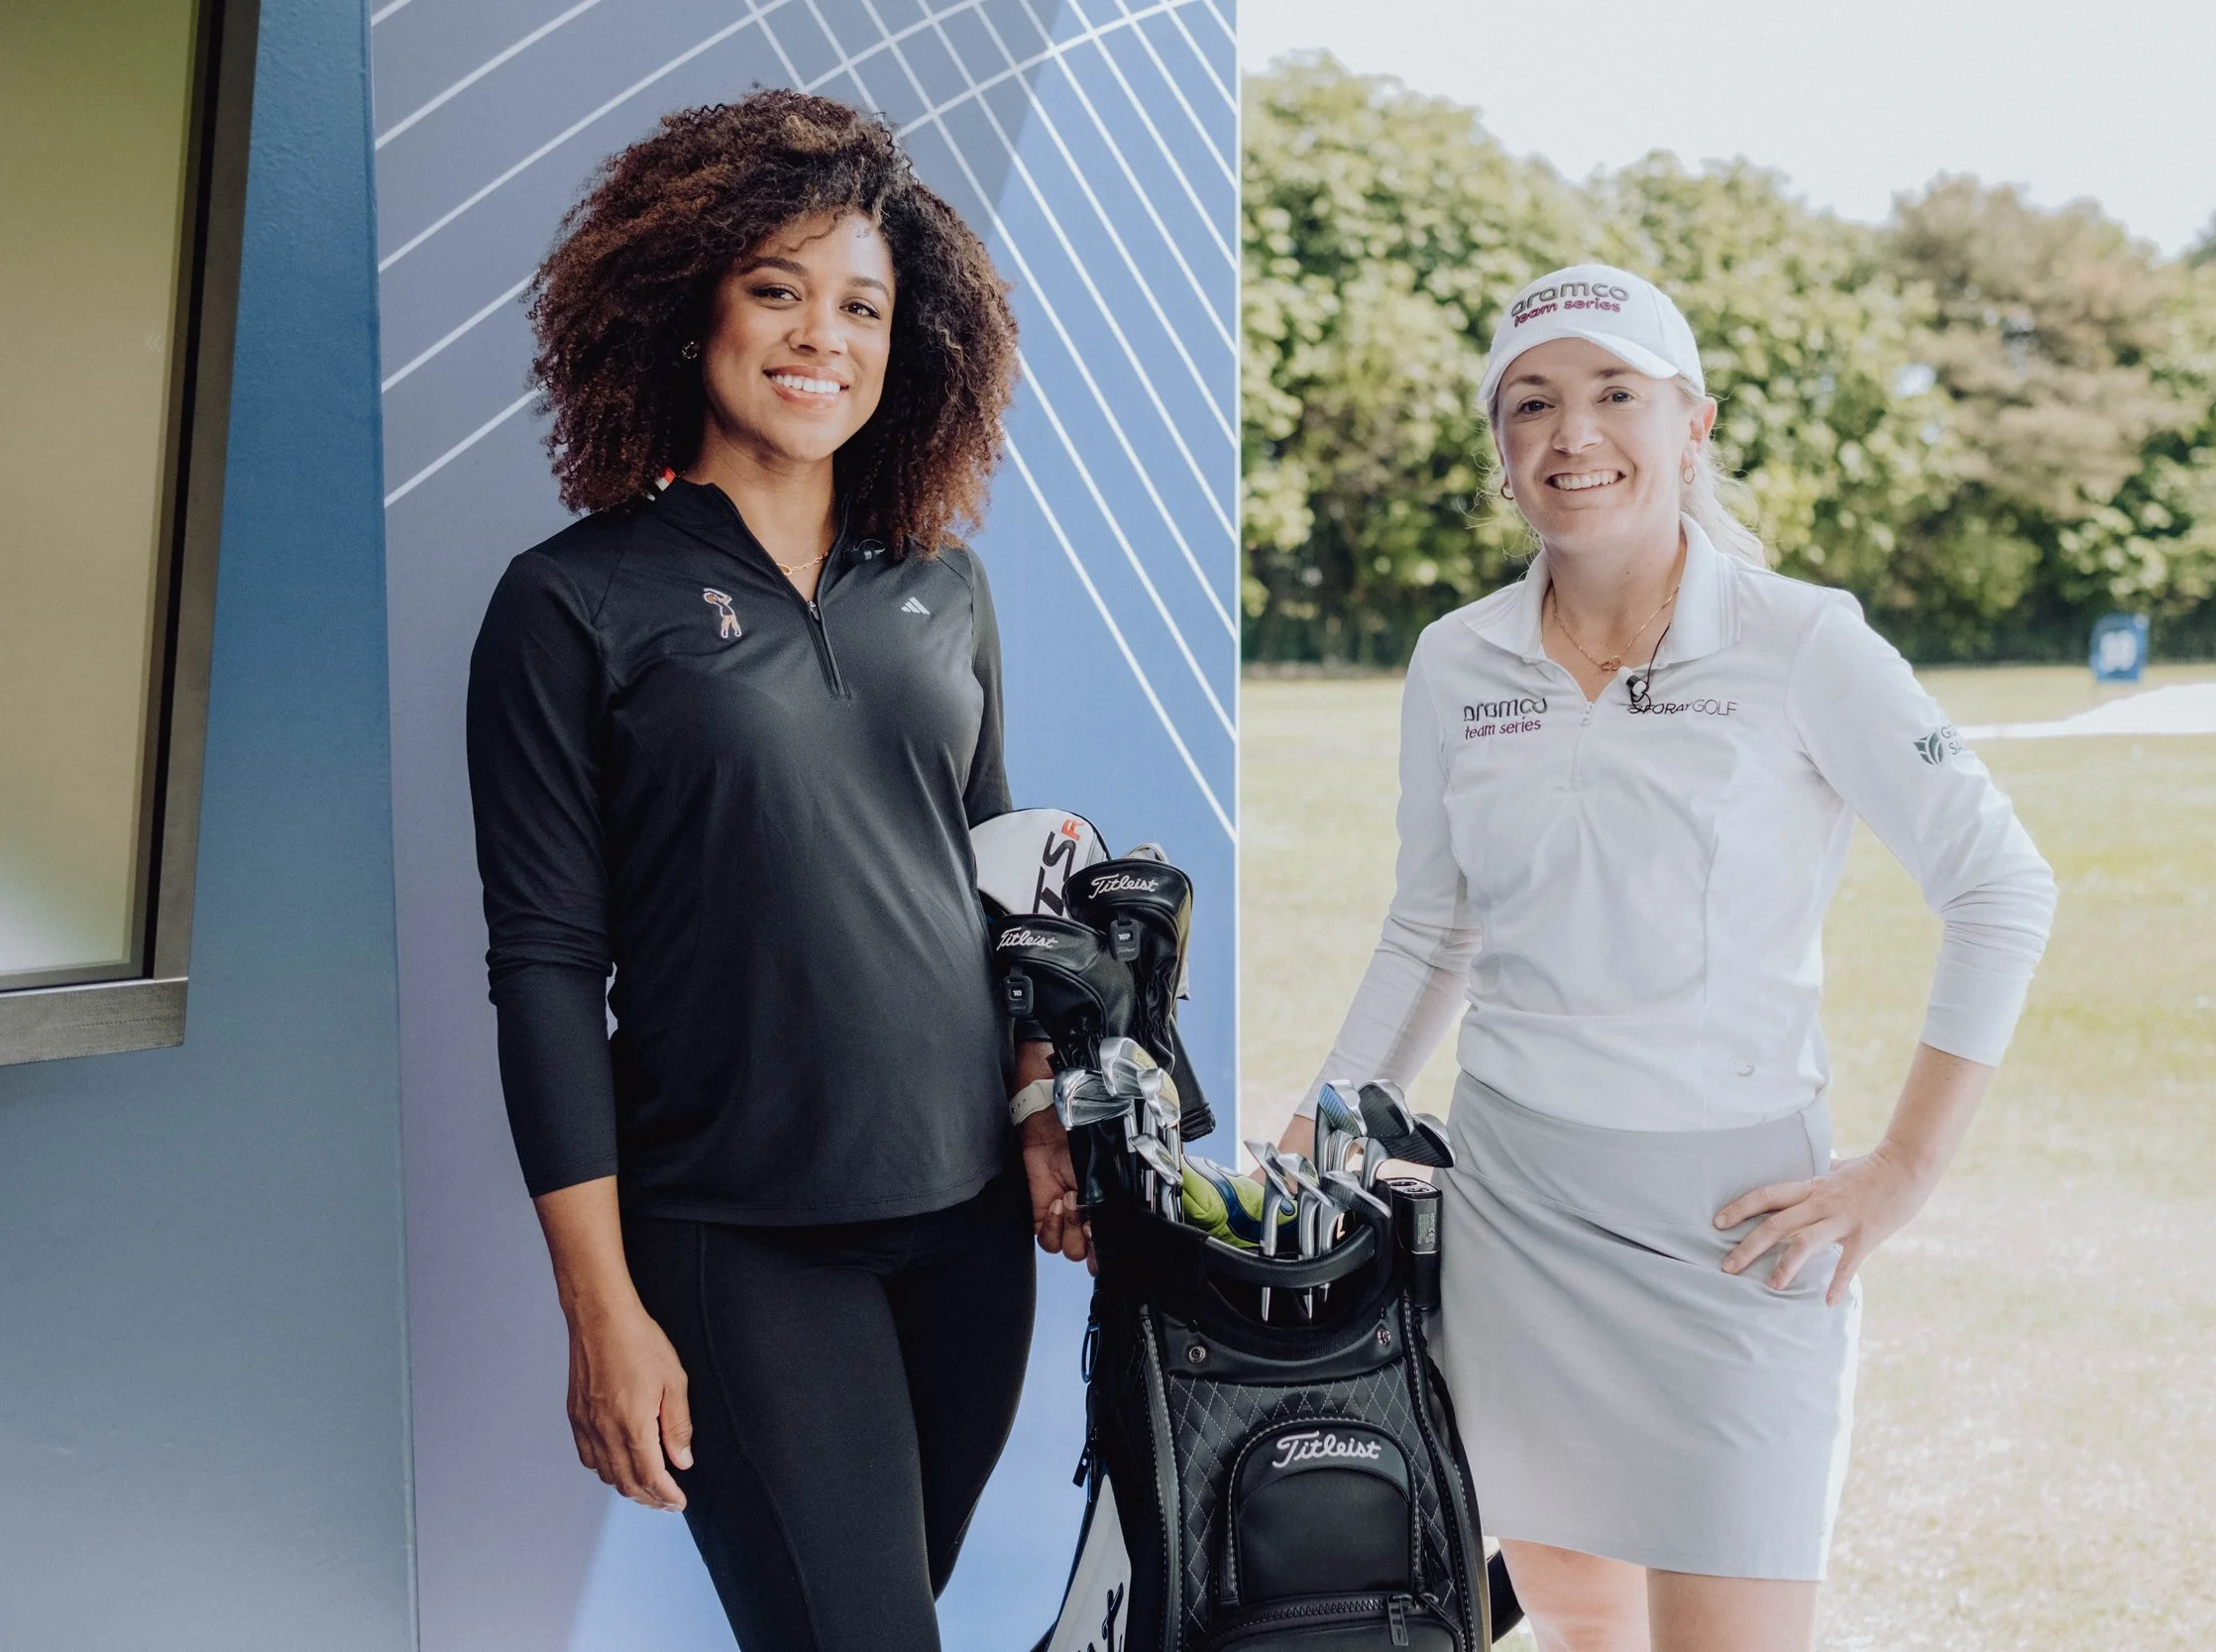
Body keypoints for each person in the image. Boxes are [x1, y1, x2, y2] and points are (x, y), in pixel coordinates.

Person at [1280, 265, 2057, 1652]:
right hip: (1517, 1215)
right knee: (1580, 1623)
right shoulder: (1456, 660)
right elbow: (1434, 926)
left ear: (1691, 423)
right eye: (1532, 404)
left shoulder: (1803, 640)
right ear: (1501, 447)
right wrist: (1320, 1121)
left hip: (1735, 1230)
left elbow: (2001, 887)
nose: (1572, 434)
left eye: (1615, 393)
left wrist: (1901, 1172)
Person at [465, 91, 1089, 1651]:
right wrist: (600, 1305)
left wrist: (1039, 1103)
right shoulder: (570, 604)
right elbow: (545, 967)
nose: (824, 337)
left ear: (910, 341)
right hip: (736, 1237)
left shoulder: (943, 582)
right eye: (778, 288)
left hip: (966, 1236)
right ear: (691, 310)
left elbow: (996, 875)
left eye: (863, 306)